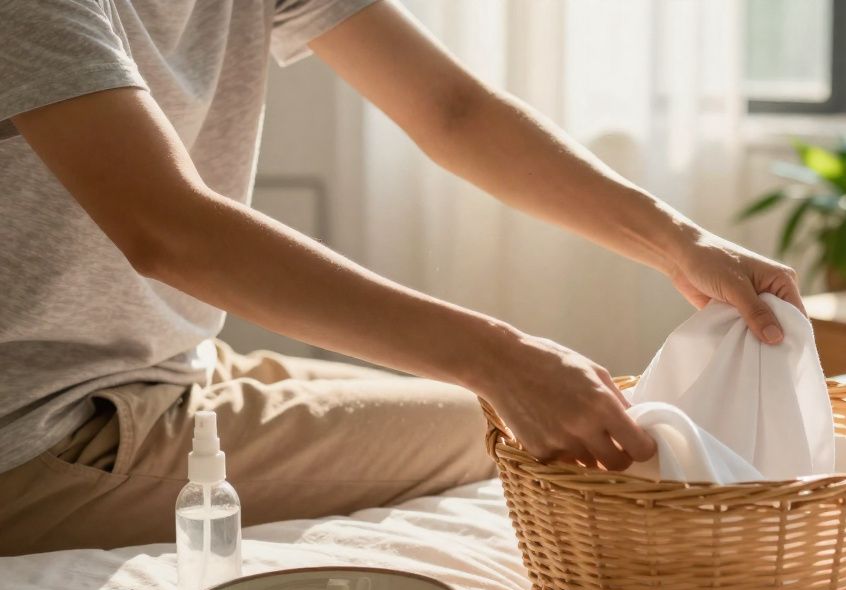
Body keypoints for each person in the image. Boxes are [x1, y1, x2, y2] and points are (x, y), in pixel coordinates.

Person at [0, 0, 803, 554]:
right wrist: (498, 359)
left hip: (172, 373)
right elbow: (168, 230)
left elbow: (454, 109)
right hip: (48, 429)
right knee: (532, 435)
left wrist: (680, 242)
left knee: (557, 414)